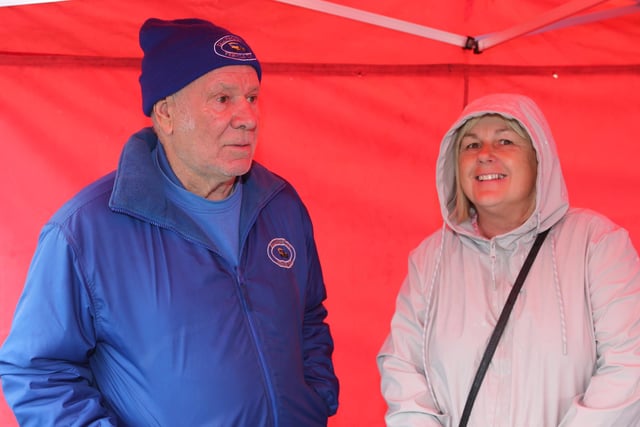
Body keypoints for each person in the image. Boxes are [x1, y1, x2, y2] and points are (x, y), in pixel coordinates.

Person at [0, 17, 339, 426]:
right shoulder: (85, 232)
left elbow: (307, 316)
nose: (247, 117)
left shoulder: (280, 205)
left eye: (252, 97)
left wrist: (316, 400)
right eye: (223, 99)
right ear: (166, 115)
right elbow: (38, 371)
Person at [377, 93, 640, 426]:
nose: (486, 155)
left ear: (538, 159)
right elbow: (403, 371)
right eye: (470, 145)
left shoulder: (597, 244)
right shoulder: (430, 259)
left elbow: (630, 366)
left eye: (505, 141)